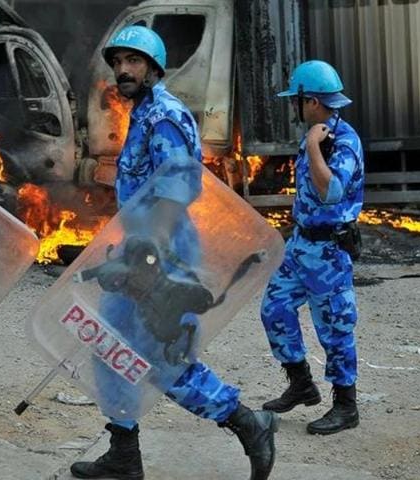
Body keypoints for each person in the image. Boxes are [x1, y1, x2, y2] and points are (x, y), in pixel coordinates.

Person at [69, 26, 279, 480]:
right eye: (119, 61)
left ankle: (248, 422)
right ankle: (123, 453)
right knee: (108, 347)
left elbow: (175, 189)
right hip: (140, 247)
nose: (123, 70)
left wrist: (148, 256)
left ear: (153, 69)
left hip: (160, 253)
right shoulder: (143, 115)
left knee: (161, 360)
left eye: (134, 62)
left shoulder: (164, 115)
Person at [260, 60, 364, 435]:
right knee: (274, 309)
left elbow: (332, 190)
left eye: (297, 100)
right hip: (301, 244)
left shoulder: (343, 141)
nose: (295, 107)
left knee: (334, 327)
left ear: (312, 100)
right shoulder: (317, 135)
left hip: (329, 251)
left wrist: (312, 147)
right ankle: (301, 383)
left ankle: (346, 405)